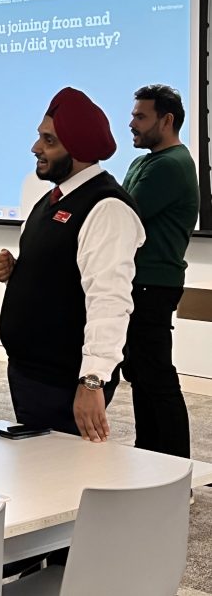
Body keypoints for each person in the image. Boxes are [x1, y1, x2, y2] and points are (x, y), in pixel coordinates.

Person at [0, 87, 145, 441]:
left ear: (76, 149)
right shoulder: (52, 199)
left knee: (65, 484)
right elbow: (61, 270)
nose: (36, 148)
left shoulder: (106, 208)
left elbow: (109, 300)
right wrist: (16, 270)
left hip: (65, 381)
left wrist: (92, 381)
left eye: (49, 141)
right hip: (32, 373)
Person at [121, 84, 197, 458]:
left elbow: (122, 215)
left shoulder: (170, 166)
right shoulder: (143, 162)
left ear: (166, 120)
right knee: (142, 376)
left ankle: (175, 472)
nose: (131, 123)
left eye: (140, 116)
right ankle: (148, 458)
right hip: (141, 284)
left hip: (153, 285)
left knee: (156, 377)